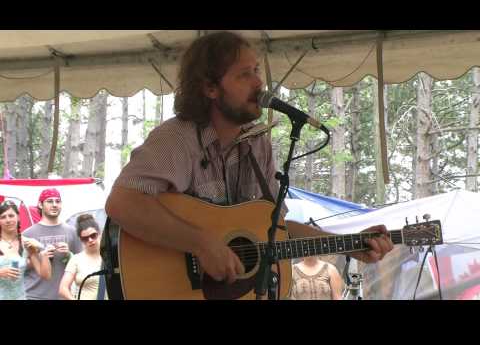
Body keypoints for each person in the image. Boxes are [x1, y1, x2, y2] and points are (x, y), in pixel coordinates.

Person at [105, 31, 394, 292]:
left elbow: (275, 229)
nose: (259, 83)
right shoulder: (179, 138)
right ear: (210, 87)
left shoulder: (258, 144)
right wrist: (201, 243)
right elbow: (122, 202)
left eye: (257, 70)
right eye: (244, 74)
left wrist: (351, 244)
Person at [23, 188, 82, 300]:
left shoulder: (72, 232)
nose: (54, 205)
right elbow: (18, 268)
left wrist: (68, 255)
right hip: (34, 296)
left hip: (63, 296)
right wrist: (38, 257)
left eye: (57, 201)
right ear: (40, 204)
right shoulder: (28, 234)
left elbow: (82, 265)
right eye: (50, 201)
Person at [0, 200, 51, 300]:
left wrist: (42, 250)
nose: (8, 220)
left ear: (18, 217)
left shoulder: (27, 243)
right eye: (3, 217)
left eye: (11, 215)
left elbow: (46, 275)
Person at [58, 214, 107, 300]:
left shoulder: (111, 255)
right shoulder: (76, 260)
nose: (90, 240)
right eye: (85, 238)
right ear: (81, 239)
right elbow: (63, 288)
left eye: (93, 235)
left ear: (99, 233)